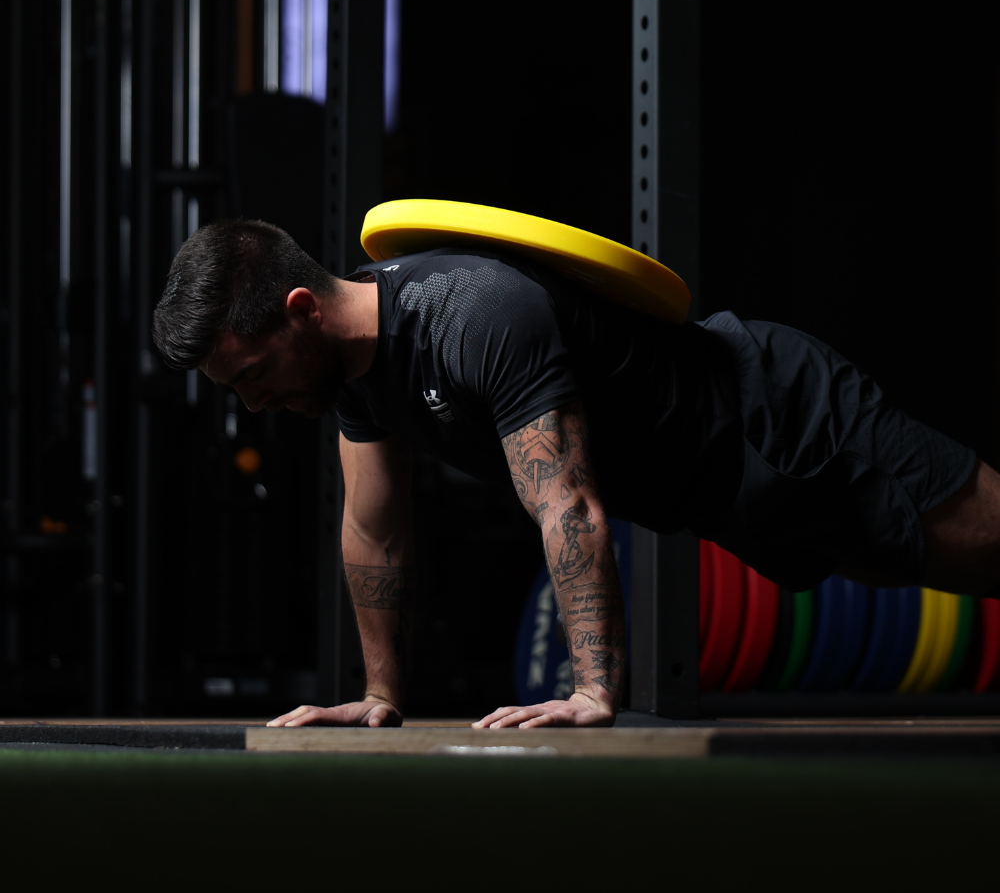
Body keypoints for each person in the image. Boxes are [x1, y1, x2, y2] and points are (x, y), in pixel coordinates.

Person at [152, 218, 1000, 729]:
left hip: (780, 416)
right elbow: (374, 527)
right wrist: (379, 693)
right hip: (731, 499)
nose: (255, 405)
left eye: (252, 376)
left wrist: (596, 690)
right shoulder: (356, 383)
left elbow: (569, 504)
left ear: (301, 312)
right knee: (926, 566)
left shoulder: (474, 316)